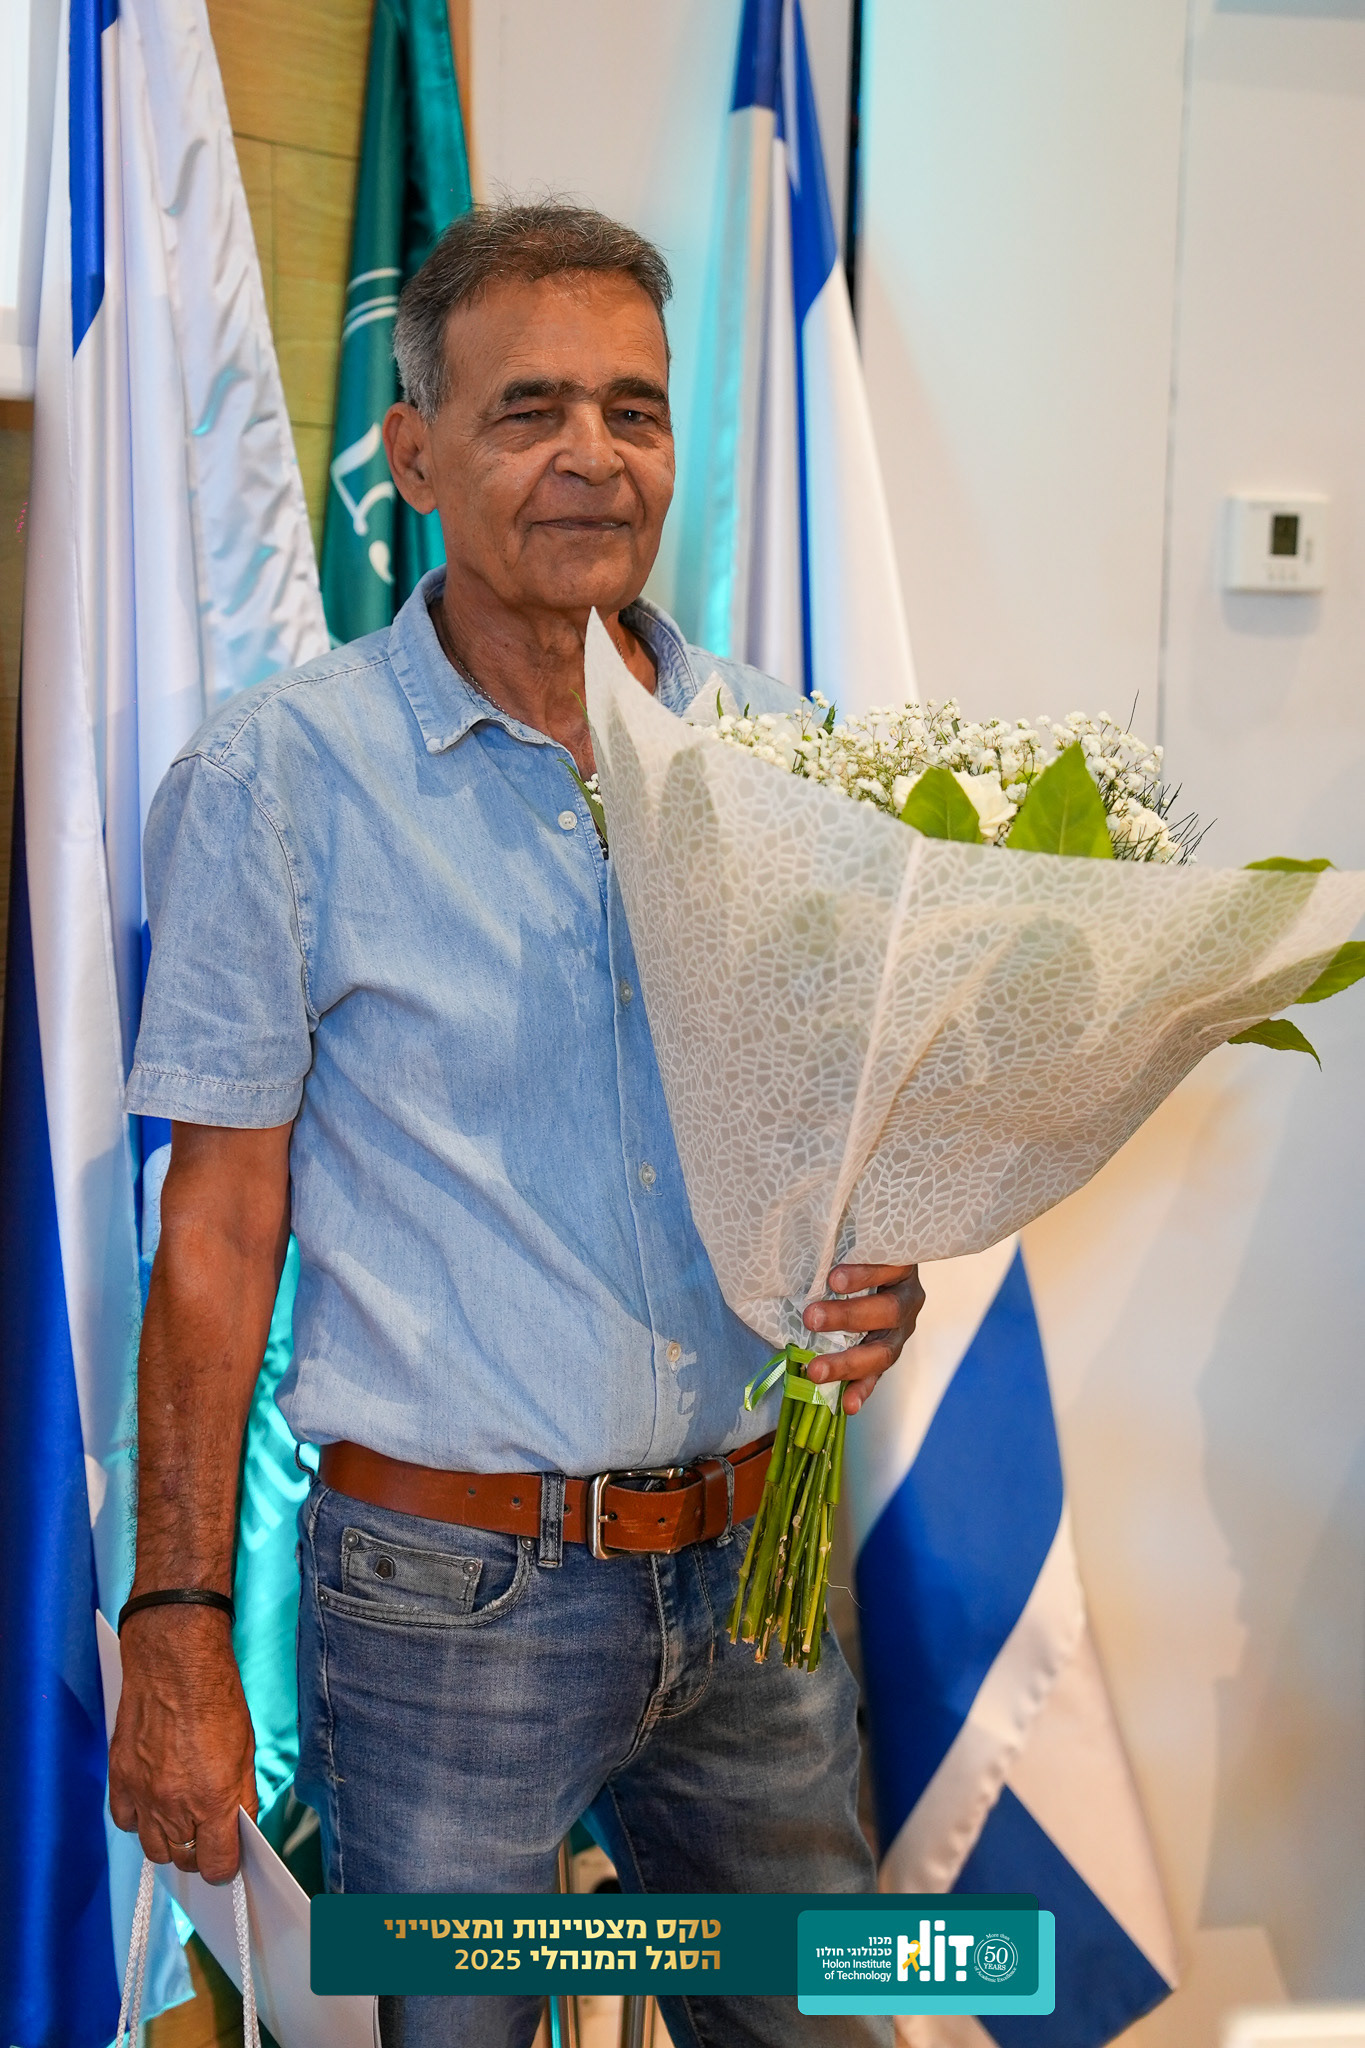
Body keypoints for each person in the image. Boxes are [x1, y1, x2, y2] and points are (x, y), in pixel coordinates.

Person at [109, 202, 924, 2048]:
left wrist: (875, 1274)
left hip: (758, 1575)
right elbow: (216, 1235)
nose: (592, 455)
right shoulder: (278, 779)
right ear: (412, 455)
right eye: (528, 410)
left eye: (633, 410)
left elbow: (831, 1129)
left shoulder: (783, 756)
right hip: (443, 1609)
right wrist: (177, 1619)